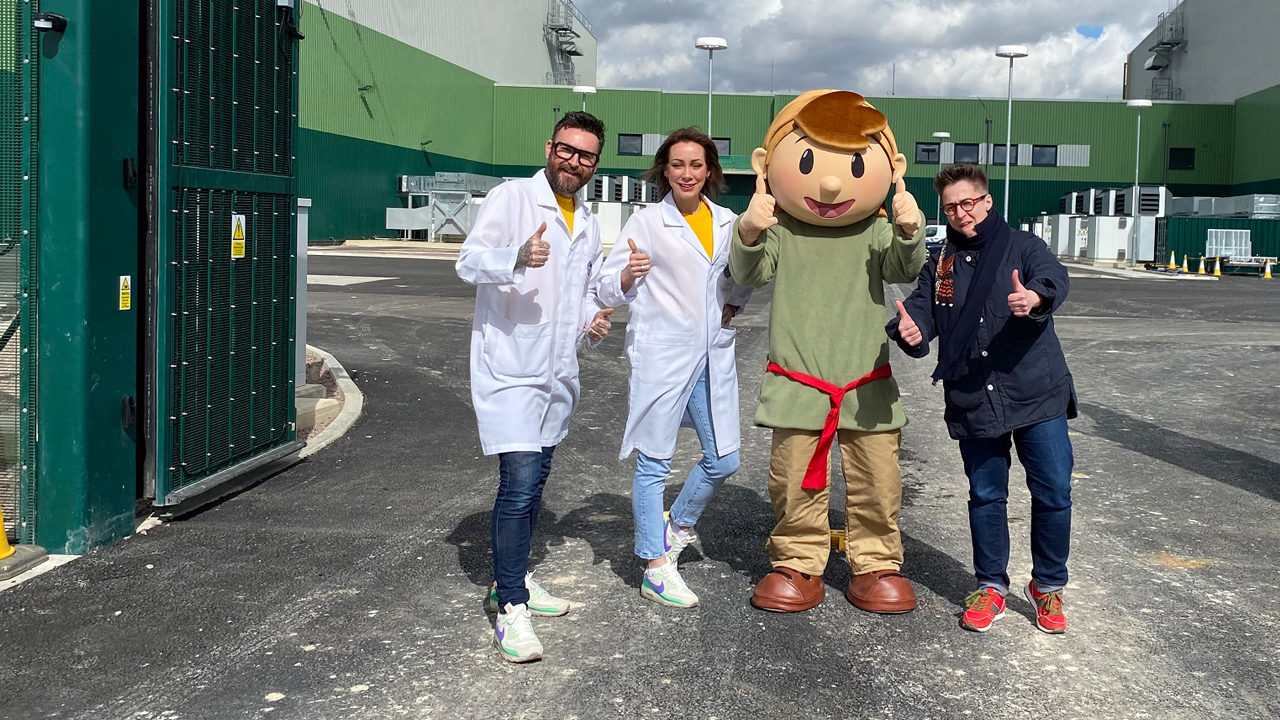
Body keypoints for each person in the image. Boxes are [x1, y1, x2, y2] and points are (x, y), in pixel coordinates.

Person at [729, 90, 926, 614]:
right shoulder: (783, 230)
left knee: (878, 482)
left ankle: (877, 562)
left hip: (866, 384)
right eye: (809, 161)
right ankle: (797, 561)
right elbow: (751, 272)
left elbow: (904, 270)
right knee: (793, 481)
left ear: (893, 169)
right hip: (799, 381)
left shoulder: (877, 230)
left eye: (856, 164)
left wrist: (910, 230)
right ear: (765, 166)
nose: (833, 182)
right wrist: (748, 229)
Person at [887, 163, 1076, 635]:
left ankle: (1047, 585)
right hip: (975, 395)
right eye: (951, 207)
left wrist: (1034, 298)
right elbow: (923, 309)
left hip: (1036, 392)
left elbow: (1054, 277)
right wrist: (910, 329)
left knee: (1053, 490)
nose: (960, 213)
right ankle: (991, 585)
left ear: (987, 201)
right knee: (986, 494)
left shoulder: (1024, 247)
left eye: (968, 202)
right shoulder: (944, 263)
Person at [456, 111, 616, 663]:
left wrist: (595, 318)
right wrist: (516, 257)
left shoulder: (589, 219)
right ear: (550, 147)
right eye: (567, 150)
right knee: (519, 484)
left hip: (557, 371)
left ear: (596, 162)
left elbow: (584, 290)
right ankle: (512, 609)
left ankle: (513, 579)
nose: (574, 162)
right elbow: (469, 260)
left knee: (538, 480)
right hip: (512, 368)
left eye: (587, 155)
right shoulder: (511, 198)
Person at [596, 127, 752, 609]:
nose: (687, 173)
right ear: (665, 169)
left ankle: (677, 526)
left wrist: (735, 306)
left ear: (710, 172)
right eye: (678, 164)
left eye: (696, 165)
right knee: (654, 460)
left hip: (712, 354)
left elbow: (742, 274)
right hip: (663, 354)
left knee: (725, 457)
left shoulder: (727, 221)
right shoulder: (645, 223)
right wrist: (627, 274)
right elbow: (604, 287)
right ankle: (654, 565)